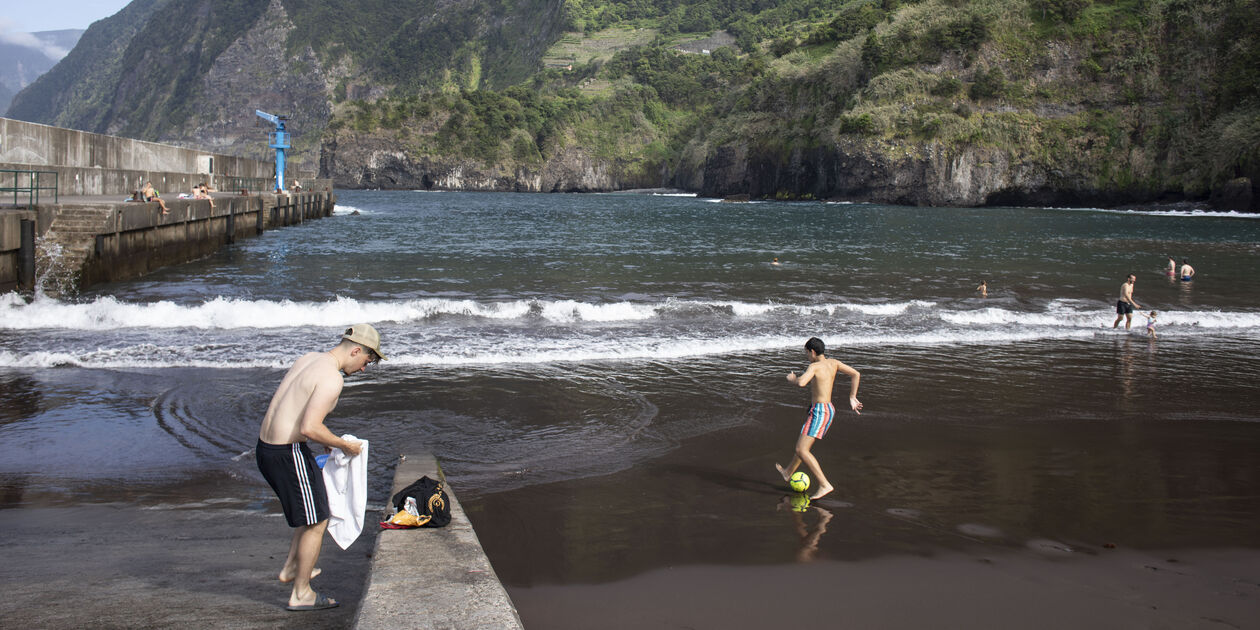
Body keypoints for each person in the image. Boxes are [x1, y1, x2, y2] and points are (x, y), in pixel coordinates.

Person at [255, 324, 385, 611]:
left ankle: (291, 568)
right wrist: (342, 445)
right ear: (355, 350)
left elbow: (296, 412)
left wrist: (322, 437)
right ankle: (301, 594)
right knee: (319, 520)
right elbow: (310, 427)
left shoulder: (309, 359)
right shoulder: (332, 379)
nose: (364, 368)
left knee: (314, 509)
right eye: (367, 361)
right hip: (287, 453)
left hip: (268, 449)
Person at [776, 337, 862, 500]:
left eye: (807, 353)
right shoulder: (834, 363)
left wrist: (793, 379)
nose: (807, 356)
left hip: (820, 412)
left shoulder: (814, 366)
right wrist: (852, 396)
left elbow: (802, 383)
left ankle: (824, 484)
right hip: (826, 409)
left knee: (802, 449)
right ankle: (788, 472)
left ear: (812, 352)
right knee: (803, 445)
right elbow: (856, 374)